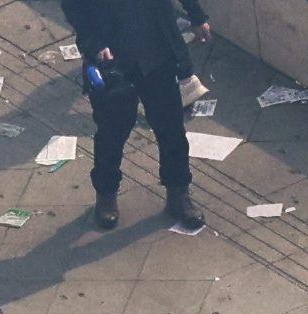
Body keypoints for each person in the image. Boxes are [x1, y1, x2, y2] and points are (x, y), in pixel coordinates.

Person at [65, 0, 210, 234]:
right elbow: (74, 7)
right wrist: (94, 43)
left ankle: (178, 192)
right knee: (112, 131)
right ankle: (106, 193)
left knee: (171, 127)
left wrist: (197, 16)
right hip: (112, 56)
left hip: (156, 49)